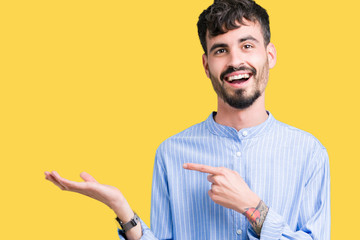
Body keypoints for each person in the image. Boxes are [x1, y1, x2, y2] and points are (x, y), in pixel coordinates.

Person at [45, 0, 331, 239]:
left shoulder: (309, 152)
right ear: (207, 65)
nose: (234, 61)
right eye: (221, 50)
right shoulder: (172, 153)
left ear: (269, 55)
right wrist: (122, 209)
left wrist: (252, 207)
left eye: (247, 46)